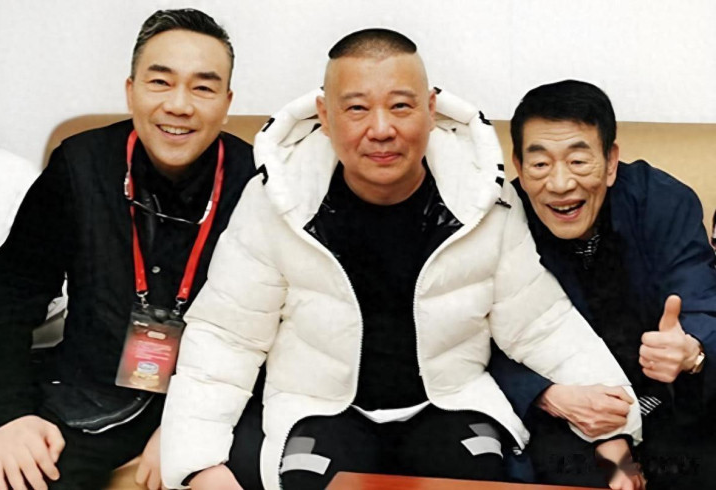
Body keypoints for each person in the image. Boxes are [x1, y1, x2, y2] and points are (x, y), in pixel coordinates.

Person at [161, 29, 642, 490]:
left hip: (449, 403)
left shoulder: (482, 198)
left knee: (474, 471)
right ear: (324, 115)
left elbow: (541, 323)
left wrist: (615, 435)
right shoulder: (276, 201)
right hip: (321, 409)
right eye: (357, 108)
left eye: (401, 106)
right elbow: (228, 338)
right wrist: (199, 466)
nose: (381, 129)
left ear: (431, 110)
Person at [0, 9, 260, 490]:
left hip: (218, 403)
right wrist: (10, 416)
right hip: (87, 398)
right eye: (160, 82)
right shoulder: (80, 166)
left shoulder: (259, 183)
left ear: (227, 103)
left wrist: (190, 424)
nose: (178, 104)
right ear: (131, 90)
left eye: (202, 87)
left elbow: (278, 333)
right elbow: (9, 296)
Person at [491, 79, 716, 489]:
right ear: (518, 167)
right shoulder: (497, 222)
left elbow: (702, 301)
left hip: (669, 403)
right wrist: (545, 395)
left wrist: (690, 349)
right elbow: (477, 338)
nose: (560, 184)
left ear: (611, 162)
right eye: (540, 165)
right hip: (566, 410)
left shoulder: (662, 202)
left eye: (579, 161)